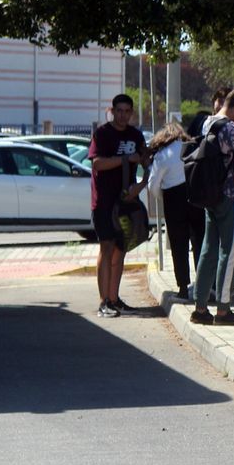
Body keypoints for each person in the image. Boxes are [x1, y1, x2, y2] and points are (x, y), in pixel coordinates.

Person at [191, 88, 234, 326]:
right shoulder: (230, 128)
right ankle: (223, 309)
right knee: (230, 252)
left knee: (209, 250)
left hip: (212, 195)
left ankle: (200, 307)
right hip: (231, 196)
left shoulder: (208, 123)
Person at [88, 94, 148, 317]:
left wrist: (140, 185)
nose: (123, 115)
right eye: (119, 111)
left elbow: (145, 162)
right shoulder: (102, 134)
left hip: (126, 202)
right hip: (103, 202)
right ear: (112, 111)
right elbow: (97, 164)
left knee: (120, 250)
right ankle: (103, 301)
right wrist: (125, 159)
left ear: (131, 112)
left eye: (127, 111)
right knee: (106, 246)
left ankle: (114, 298)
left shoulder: (136, 135)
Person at [147, 121, 196, 298]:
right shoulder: (190, 147)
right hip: (195, 196)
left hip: (173, 199)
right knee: (199, 241)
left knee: (178, 245)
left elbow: (153, 185)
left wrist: (163, 196)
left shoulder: (162, 154)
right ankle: (207, 286)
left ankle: (183, 287)